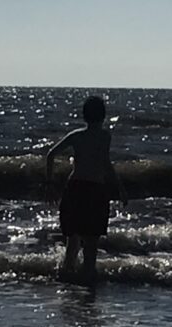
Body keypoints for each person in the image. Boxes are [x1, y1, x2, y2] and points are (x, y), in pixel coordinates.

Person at [45, 96, 128, 284]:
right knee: (91, 246)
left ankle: (67, 286)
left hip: (74, 189)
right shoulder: (105, 136)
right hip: (95, 191)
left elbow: (51, 155)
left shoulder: (76, 135)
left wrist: (49, 184)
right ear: (103, 116)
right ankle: (88, 291)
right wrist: (120, 188)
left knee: (72, 243)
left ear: (84, 115)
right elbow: (106, 164)